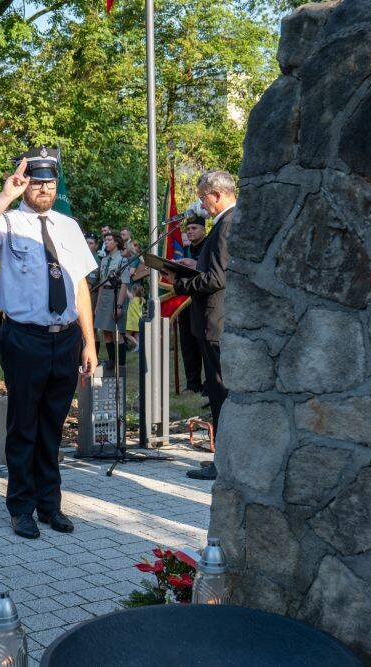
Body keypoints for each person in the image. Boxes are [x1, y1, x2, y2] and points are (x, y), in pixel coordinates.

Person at [0, 147, 97, 540]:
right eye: (37, 184)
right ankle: (21, 507)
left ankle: (49, 504)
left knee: (53, 425)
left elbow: (80, 289)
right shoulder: (6, 223)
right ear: (25, 186)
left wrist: (88, 343)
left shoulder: (68, 227)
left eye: (50, 184)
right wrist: (5, 195)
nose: (45, 190)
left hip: (66, 337)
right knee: (24, 424)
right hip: (24, 338)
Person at [166, 170, 236, 481]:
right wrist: (196, 265)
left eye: (204, 197)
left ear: (218, 194)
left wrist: (182, 283)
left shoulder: (225, 225)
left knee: (221, 395)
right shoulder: (225, 224)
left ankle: (225, 463)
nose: (202, 204)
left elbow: (219, 279)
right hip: (213, 321)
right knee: (218, 393)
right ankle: (225, 459)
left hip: (215, 322)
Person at [177, 215, 208, 394]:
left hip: (203, 301)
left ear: (203, 230)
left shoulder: (208, 247)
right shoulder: (184, 249)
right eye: (188, 229)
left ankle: (209, 384)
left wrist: (194, 264)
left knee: (203, 343)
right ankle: (192, 383)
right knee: (187, 344)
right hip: (184, 302)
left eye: (194, 228)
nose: (190, 232)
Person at [94, 231, 131, 368]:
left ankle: (120, 363)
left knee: (116, 331)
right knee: (105, 330)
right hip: (104, 296)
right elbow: (101, 284)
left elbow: (124, 284)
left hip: (115, 295)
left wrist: (119, 306)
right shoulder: (104, 260)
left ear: (116, 242)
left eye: (109, 240)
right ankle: (111, 360)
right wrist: (97, 305)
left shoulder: (122, 260)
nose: (106, 243)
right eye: (105, 240)